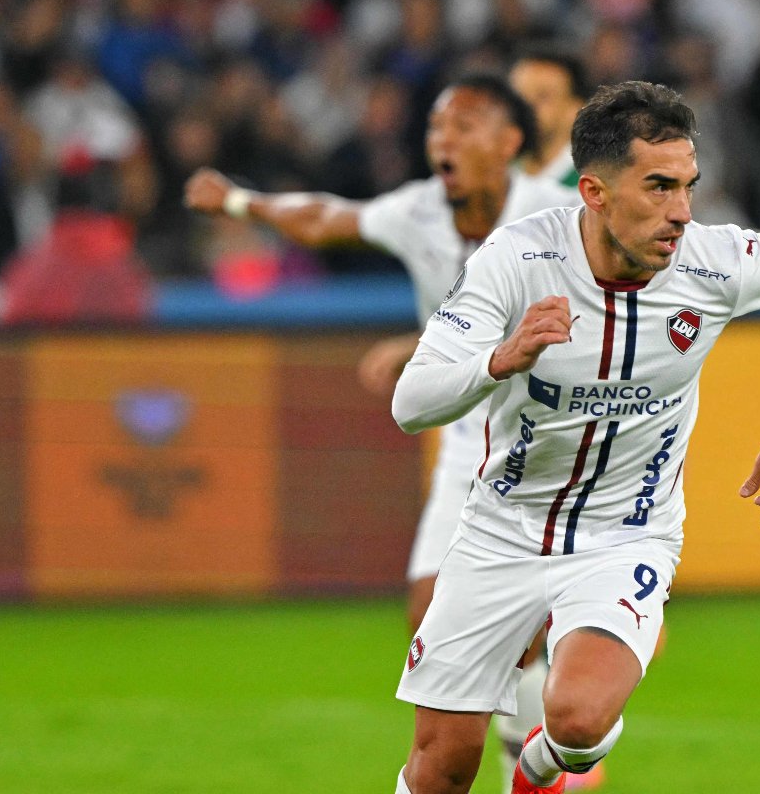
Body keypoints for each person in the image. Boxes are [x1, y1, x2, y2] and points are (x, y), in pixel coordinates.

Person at [389, 80, 760, 794]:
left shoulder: (714, 262)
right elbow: (411, 402)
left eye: (688, 186)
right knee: (442, 766)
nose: (681, 213)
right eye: (658, 188)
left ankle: (536, 773)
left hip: (627, 533)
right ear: (593, 192)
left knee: (579, 719)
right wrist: (498, 360)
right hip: (502, 530)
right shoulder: (517, 261)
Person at [183, 73, 581, 790]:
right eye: (436, 128)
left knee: (544, 631)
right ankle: (517, 727)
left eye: (464, 125)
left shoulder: (558, 215)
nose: (443, 140)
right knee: (429, 616)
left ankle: (527, 718)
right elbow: (325, 217)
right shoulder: (418, 211)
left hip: (555, 440)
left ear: (510, 141)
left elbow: (660, 250)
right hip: (468, 439)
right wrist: (240, 201)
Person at [509, 46, 587, 187]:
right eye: (519, 96)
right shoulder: (497, 175)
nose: (527, 106)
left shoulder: (590, 188)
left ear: (575, 110)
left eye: (542, 96)